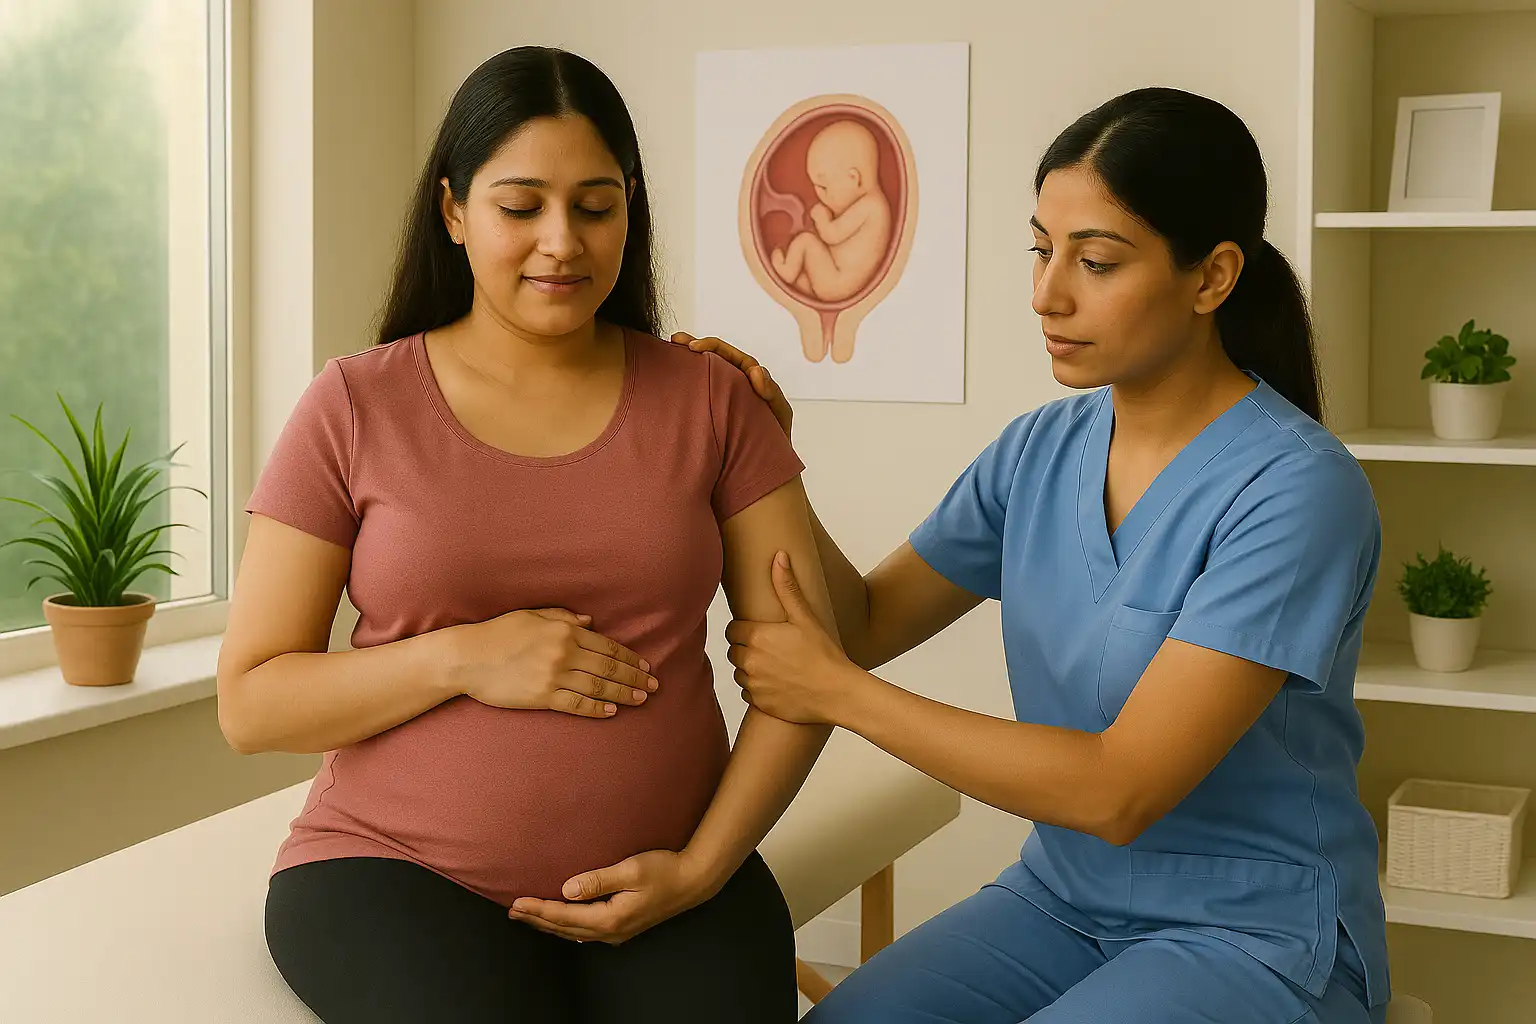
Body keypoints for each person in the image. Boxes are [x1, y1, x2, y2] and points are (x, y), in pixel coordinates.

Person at [678, 87, 1391, 1024]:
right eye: (1041, 249)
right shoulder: (1039, 451)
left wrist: (837, 696)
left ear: (1213, 277)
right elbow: (865, 622)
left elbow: (1120, 789)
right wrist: (773, 457)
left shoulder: (1297, 490)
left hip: (1252, 933)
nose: (1046, 293)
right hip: (1062, 902)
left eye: (1094, 261)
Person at [216, 45, 838, 1024]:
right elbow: (251, 704)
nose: (563, 242)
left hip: (671, 869)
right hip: (396, 875)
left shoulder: (715, 400)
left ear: (630, 210)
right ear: (454, 210)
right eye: (521, 208)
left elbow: (812, 669)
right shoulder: (352, 405)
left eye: (596, 206)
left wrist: (702, 866)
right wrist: (465, 658)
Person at [771, 119, 893, 301]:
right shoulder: (874, 204)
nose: (820, 196)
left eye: (824, 188)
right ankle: (804, 283)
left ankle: (787, 270)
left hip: (838, 283)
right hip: (837, 278)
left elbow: (831, 235)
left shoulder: (870, 206)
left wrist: (822, 219)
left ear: (853, 178)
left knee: (806, 240)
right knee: (805, 281)